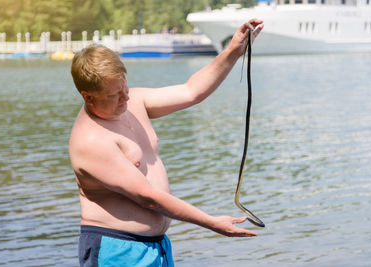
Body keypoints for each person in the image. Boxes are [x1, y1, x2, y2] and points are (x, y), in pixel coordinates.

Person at [69, 19, 263, 267]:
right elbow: (148, 197)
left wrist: (234, 50)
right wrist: (211, 222)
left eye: (124, 86)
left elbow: (192, 91)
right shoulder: (91, 139)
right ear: (88, 96)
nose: (126, 97)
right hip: (116, 250)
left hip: (157, 246)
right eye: (114, 95)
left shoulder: (134, 102)